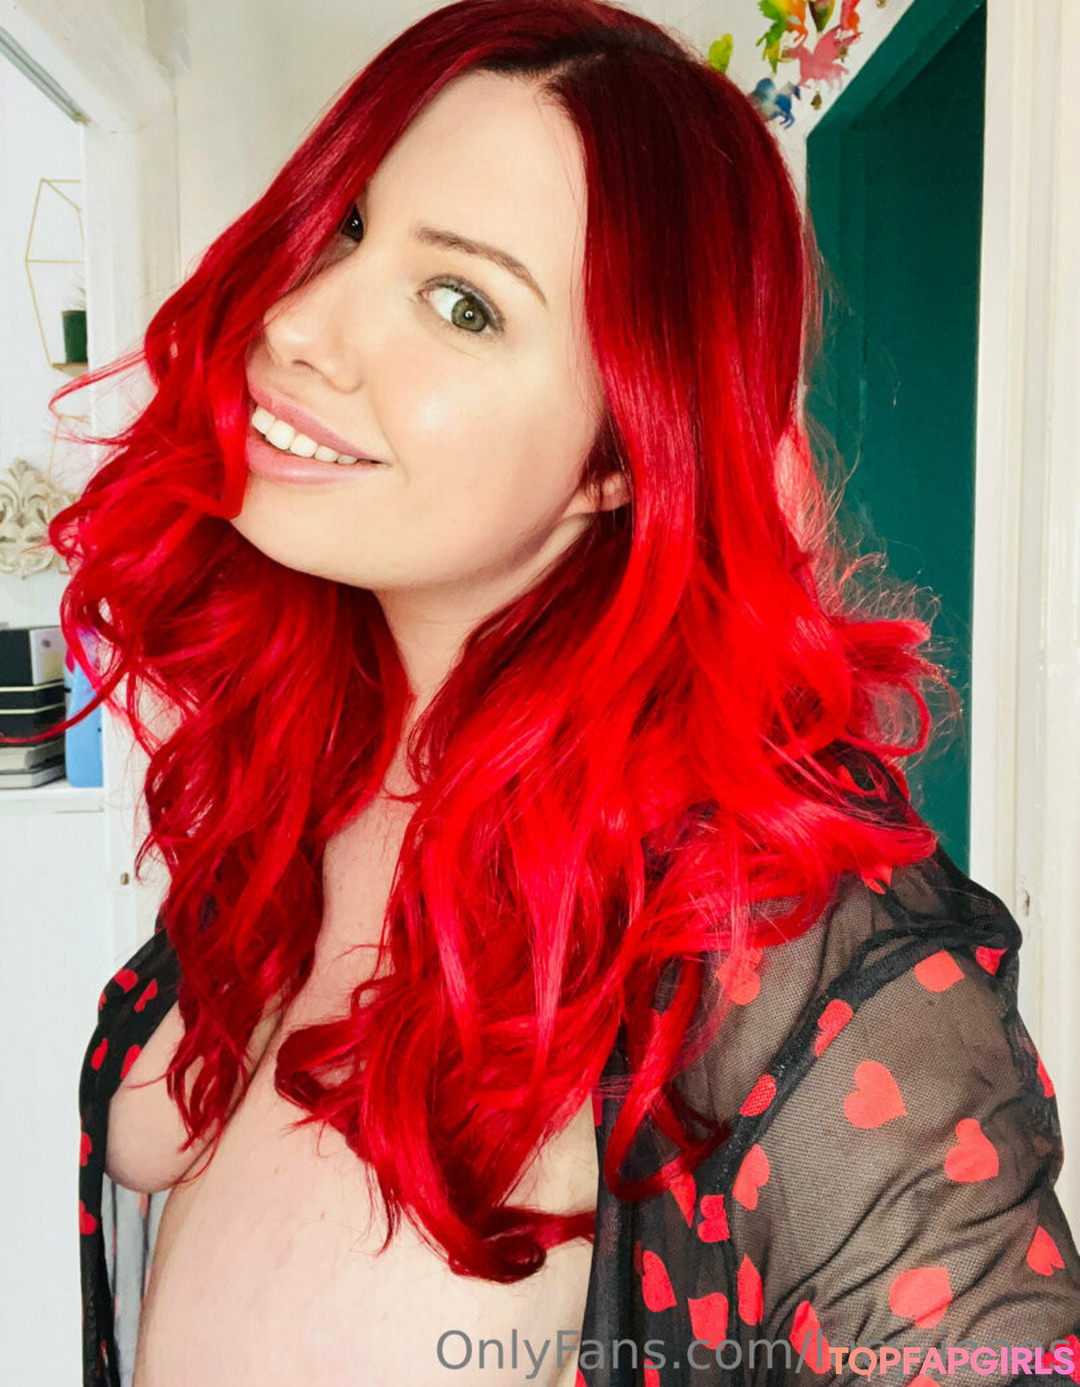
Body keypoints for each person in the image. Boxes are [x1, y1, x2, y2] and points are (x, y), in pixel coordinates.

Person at [27, 0, 1079, 1382]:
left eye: (461, 303)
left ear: (624, 455)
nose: (299, 323)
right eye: (345, 228)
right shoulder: (302, 770)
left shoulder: (780, 944)